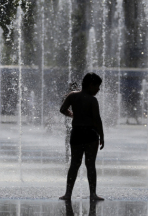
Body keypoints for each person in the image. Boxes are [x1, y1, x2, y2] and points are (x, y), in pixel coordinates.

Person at [59, 73, 105, 201]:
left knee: (74, 164)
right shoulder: (92, 100)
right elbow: (97, 119)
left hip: (77, 133)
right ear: (91, 85)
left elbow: (62, 109)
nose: (98, 90)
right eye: (97, 86)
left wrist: (74, 115)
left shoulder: (72, 96)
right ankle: (93, 194)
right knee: (90, 165)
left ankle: (68, 194)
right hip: (91, 134)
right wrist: (102, 136)